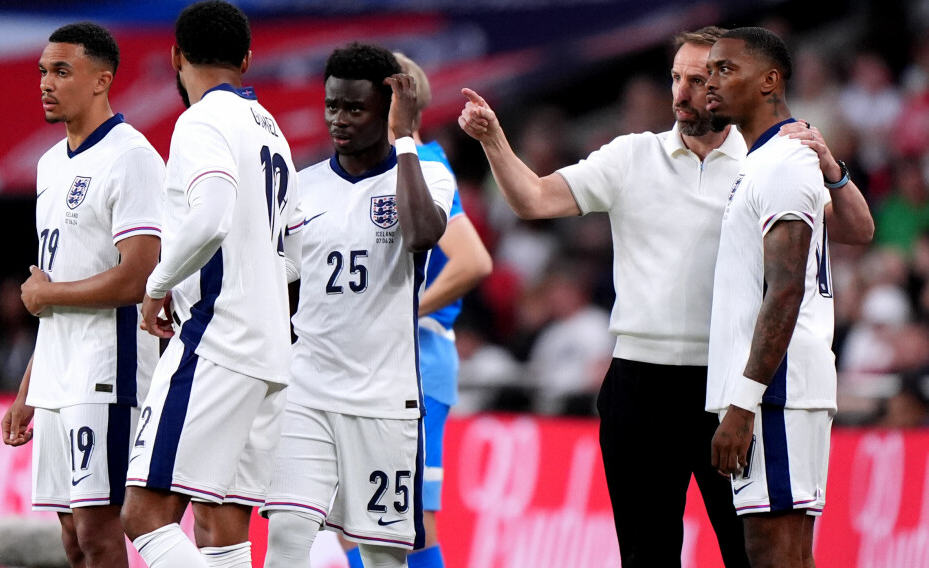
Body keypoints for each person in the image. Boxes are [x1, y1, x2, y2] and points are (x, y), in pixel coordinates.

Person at [458, 26, 873, 568]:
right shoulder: (631, 156)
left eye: (700, 78)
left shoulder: (767, 158)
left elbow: (855, 231)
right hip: (640, 383)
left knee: (751, 554)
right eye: (676, 77)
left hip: (728, 384)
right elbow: (534, 199)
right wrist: (494, 140)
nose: (681, 91)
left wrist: (832, 168)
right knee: (646, 555)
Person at [261, 43, 454, 568]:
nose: (338, 120)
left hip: (384, 402)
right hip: (308, 392)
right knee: (287, 540)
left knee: (383, 558)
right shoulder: (303, 187)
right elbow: (275, 278)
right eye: (331, 106)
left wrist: (406, 137)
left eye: (355, 108)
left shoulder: (427, 175)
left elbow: (420, 235)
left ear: (387, 109)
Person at [118, 2, 298, 567]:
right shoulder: (274, 132)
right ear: (247, 59)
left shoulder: (200, 121)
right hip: (271, 350)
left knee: (143, 516)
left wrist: (158, 285)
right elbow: (294, 255)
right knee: (221, 530)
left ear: (175, 55)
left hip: (218, 342)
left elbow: (212, 214)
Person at [0, 22, 164, 568]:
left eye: (62, 71)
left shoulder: (132, 156)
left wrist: (47, 298)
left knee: (100, 536)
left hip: (106, 371)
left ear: (102, 80)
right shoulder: (49, 165)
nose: (46, 83)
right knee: (71, 542)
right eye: (43, 71)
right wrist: (31, 386)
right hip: (56, 376)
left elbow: (140, 275)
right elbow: (52, 285)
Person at [338, 52, 492, 568]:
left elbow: (472, 261)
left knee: (411, 522)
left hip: (417, 359)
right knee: (360, 518)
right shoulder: (397, 166)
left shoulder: (421, 167)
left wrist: (401, 311)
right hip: (378, 363)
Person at [704, 27, 841, 568]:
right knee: (783, 552)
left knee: (773, 552)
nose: (709, 83)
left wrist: (743, 402)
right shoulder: (767, 159)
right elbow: (858, 228)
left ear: (770, 80)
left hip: (775, 390)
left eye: (724, 70)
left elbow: (784, 291)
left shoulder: (782, 162)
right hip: (776, 388)